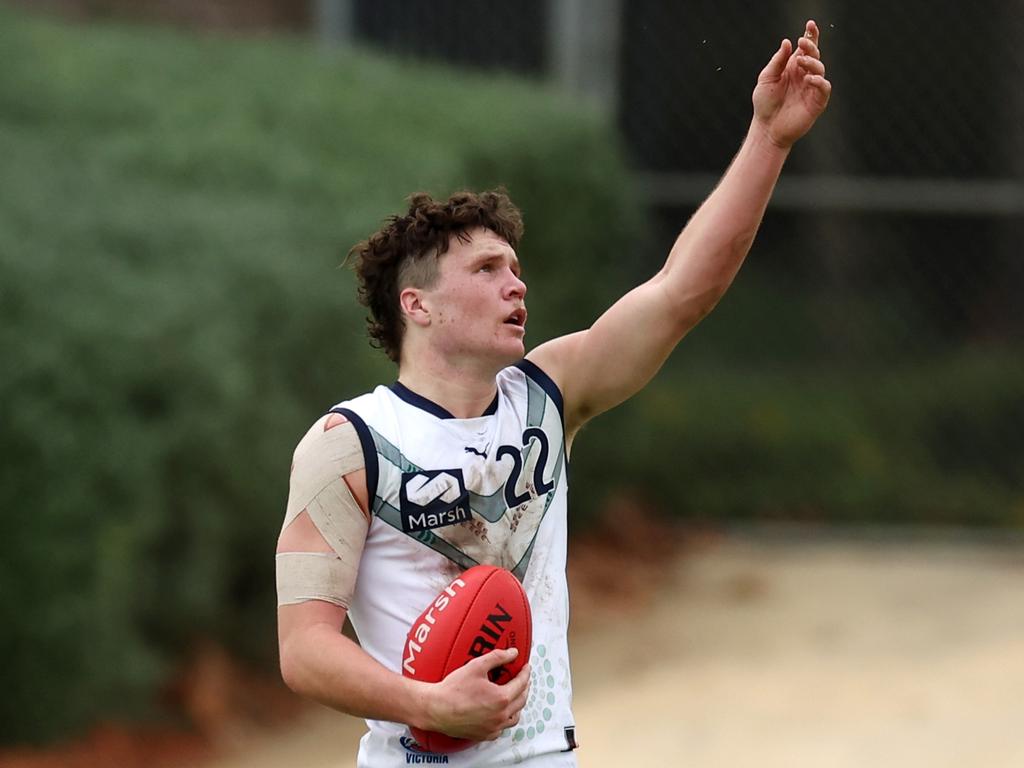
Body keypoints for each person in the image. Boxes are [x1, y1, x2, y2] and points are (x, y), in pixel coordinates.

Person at [276, 20, 830, 767]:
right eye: (487, 270)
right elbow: (304, 650)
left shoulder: (548, 395)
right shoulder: (349, 446)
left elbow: (682, 293)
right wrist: (431, 706)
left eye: (516, 267)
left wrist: (770, 138)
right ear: (418, 305)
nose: (517, 284)